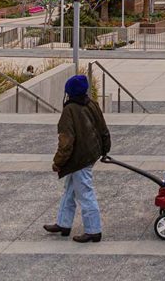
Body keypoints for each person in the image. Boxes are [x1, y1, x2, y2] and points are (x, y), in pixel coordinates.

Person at [43, 75, 111, 243]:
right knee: (70, 189)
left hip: (79, 158)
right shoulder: (92, 104)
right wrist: (104, 149)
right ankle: (63, 223)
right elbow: (103, 129)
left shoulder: (70, 110)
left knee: (85, 193)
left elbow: (66, 142)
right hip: (89, 154)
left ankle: (94, 230)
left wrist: (58, 162)